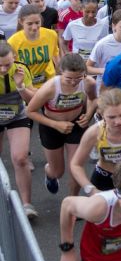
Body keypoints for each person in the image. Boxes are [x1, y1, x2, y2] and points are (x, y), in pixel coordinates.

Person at [27, 53, 97, 196]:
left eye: (78, 78)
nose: (73, 82)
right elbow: (30, 111)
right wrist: (55, 124)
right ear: (60, 73)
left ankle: (73, 202)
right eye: (69, 78)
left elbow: (93, 99)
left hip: (76, 126)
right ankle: (50, 173)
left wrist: (88, 114)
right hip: (51, 128)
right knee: (58, 171)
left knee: (75, 168)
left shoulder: (89, 82)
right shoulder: (50, 87)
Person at [0, 41, 36, 217]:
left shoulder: (21, 68)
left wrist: (21, 86)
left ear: (14, 58)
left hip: (17, 116)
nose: (3, 70)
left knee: (20, 158)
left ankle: (26, 205)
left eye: (7, 64)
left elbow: (33, 99)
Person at [8, 5, 59, 89]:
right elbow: (11, 69)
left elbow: (56, 56)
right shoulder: (13, 41)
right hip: (27, 86)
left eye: (37, 22)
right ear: (21, 21)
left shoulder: (51, 34)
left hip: (49, 83)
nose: (34, 27)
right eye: (30, 24)